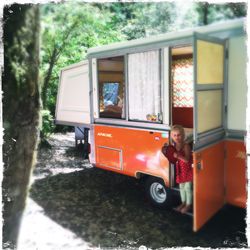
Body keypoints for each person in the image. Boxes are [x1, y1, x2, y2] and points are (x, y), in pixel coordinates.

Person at [170, 125, 193, 214]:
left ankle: (188, 204)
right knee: (181, 187)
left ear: (183, 135)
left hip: (187, 170)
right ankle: (183, 202)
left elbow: (187, 160)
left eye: (179, 135)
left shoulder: (185, 146)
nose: (177, 137)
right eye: (174, 135)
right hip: (180, 169)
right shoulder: (174, 146)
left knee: (188, 188)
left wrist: (178, 156)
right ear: (172, 136)